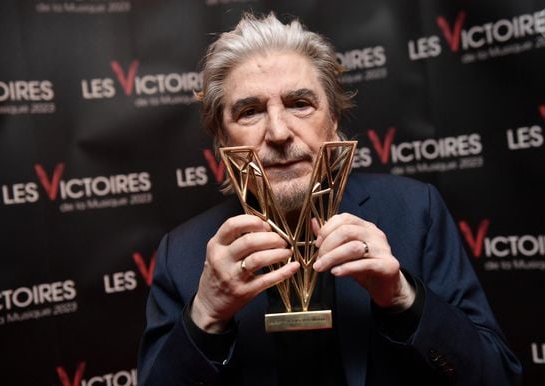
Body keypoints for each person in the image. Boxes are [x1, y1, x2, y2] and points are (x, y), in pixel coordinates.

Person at [137, 12, 522, 386]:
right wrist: (205, 314)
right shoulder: (184, 253)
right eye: (250, 111)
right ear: (223, 141)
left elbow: (497, 375)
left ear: (334, 122)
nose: (278, 132)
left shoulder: (415, 213)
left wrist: (403, 297)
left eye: (299, 104)